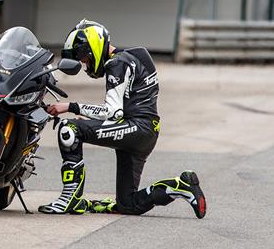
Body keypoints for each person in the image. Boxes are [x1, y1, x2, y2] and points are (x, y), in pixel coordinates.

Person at [38, 19, 207, 218]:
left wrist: (69, 107)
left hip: (135, 128)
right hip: (145, 133)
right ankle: (180, 185)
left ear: (95, 47)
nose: (87, 66)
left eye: (86, 59)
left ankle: (70, 198)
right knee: (128, 204)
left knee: (69, 129)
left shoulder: (117, 64)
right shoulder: (134, 57)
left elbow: (112, 112)